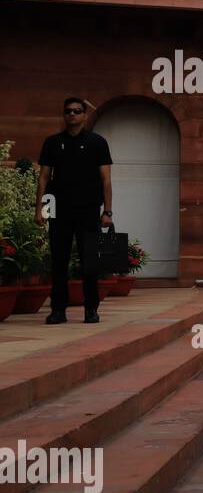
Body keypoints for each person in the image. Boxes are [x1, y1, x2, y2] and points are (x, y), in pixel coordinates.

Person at [36, 97, 113, 325]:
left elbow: (106, 180)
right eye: (68, 111)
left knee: (89, 261)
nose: (72, 115)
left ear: (84, 115)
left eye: (77, 111)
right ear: (63, 114)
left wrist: (107, 212)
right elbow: (43, 178)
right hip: (58, 208)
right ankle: (58, 310)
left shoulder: (97, 142)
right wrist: (39, 208)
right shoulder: (52, 142)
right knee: (58, 261)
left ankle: (91, 309)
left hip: (88, 208)